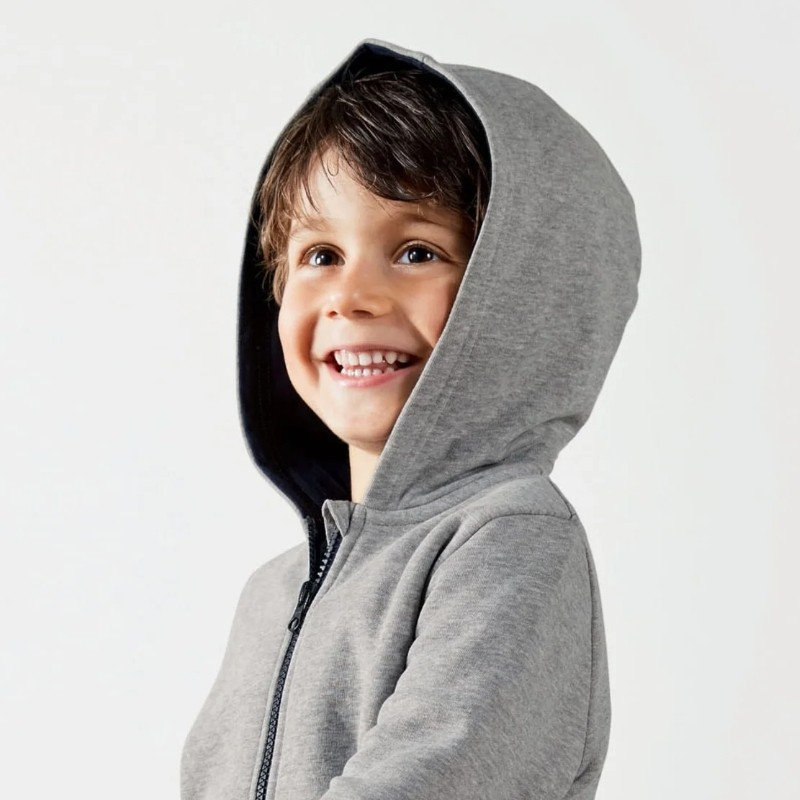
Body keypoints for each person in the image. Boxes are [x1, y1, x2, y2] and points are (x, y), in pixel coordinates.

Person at [180, 37, 641, 800]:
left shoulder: (507, 536)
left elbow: (429, 776)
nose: (350, 296)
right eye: (320, 254)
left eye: (417, 251)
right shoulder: (273, 592)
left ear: (520, 292)